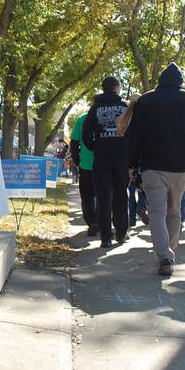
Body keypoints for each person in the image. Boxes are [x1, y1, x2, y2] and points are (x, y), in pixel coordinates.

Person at [126, 63, 185, 275]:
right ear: (180, 81)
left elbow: (133, 135)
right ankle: (169, 251)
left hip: (152, 165)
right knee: (174, 211)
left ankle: (164, 255)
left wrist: (131, 163)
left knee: (156, 212)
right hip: (181, 167)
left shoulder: (146, 101)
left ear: (160, 81)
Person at [83, 77, 129, 248]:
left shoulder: (95, 108)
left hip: (102, 158)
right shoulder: (125, 106)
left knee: (103, 196)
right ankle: (122, 231)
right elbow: (134, 130)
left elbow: (86, 132)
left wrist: (95, 147)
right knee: (120, 194)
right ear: (117, 88)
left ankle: (106, 236)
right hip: (121, 157)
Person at [117, 93, 148, 227]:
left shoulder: (124, 118)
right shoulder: (145, 117)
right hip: (142, 160)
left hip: (126, 160)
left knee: (129, 190)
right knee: (143, 188)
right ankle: (141, 207)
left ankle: (131, 218)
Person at [70, 111, 98, 235]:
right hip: (105, 163)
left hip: (86, 164)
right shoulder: (109, 114)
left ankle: (91, 222)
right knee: (105, 194)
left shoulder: (82, 118)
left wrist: (77, 161)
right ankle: (101, 222)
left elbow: (74, 142)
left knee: (87, 196)